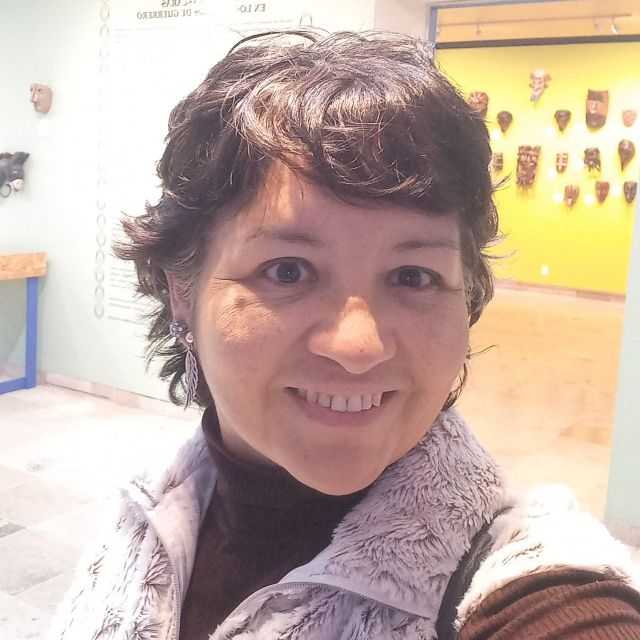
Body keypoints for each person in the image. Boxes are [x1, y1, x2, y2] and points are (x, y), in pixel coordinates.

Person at [50, 30, 640, 640]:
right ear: (182, 290)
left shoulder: (529, 582)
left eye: (413, 276)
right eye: (287, 271)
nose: (359, 347)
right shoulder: (146, 511)